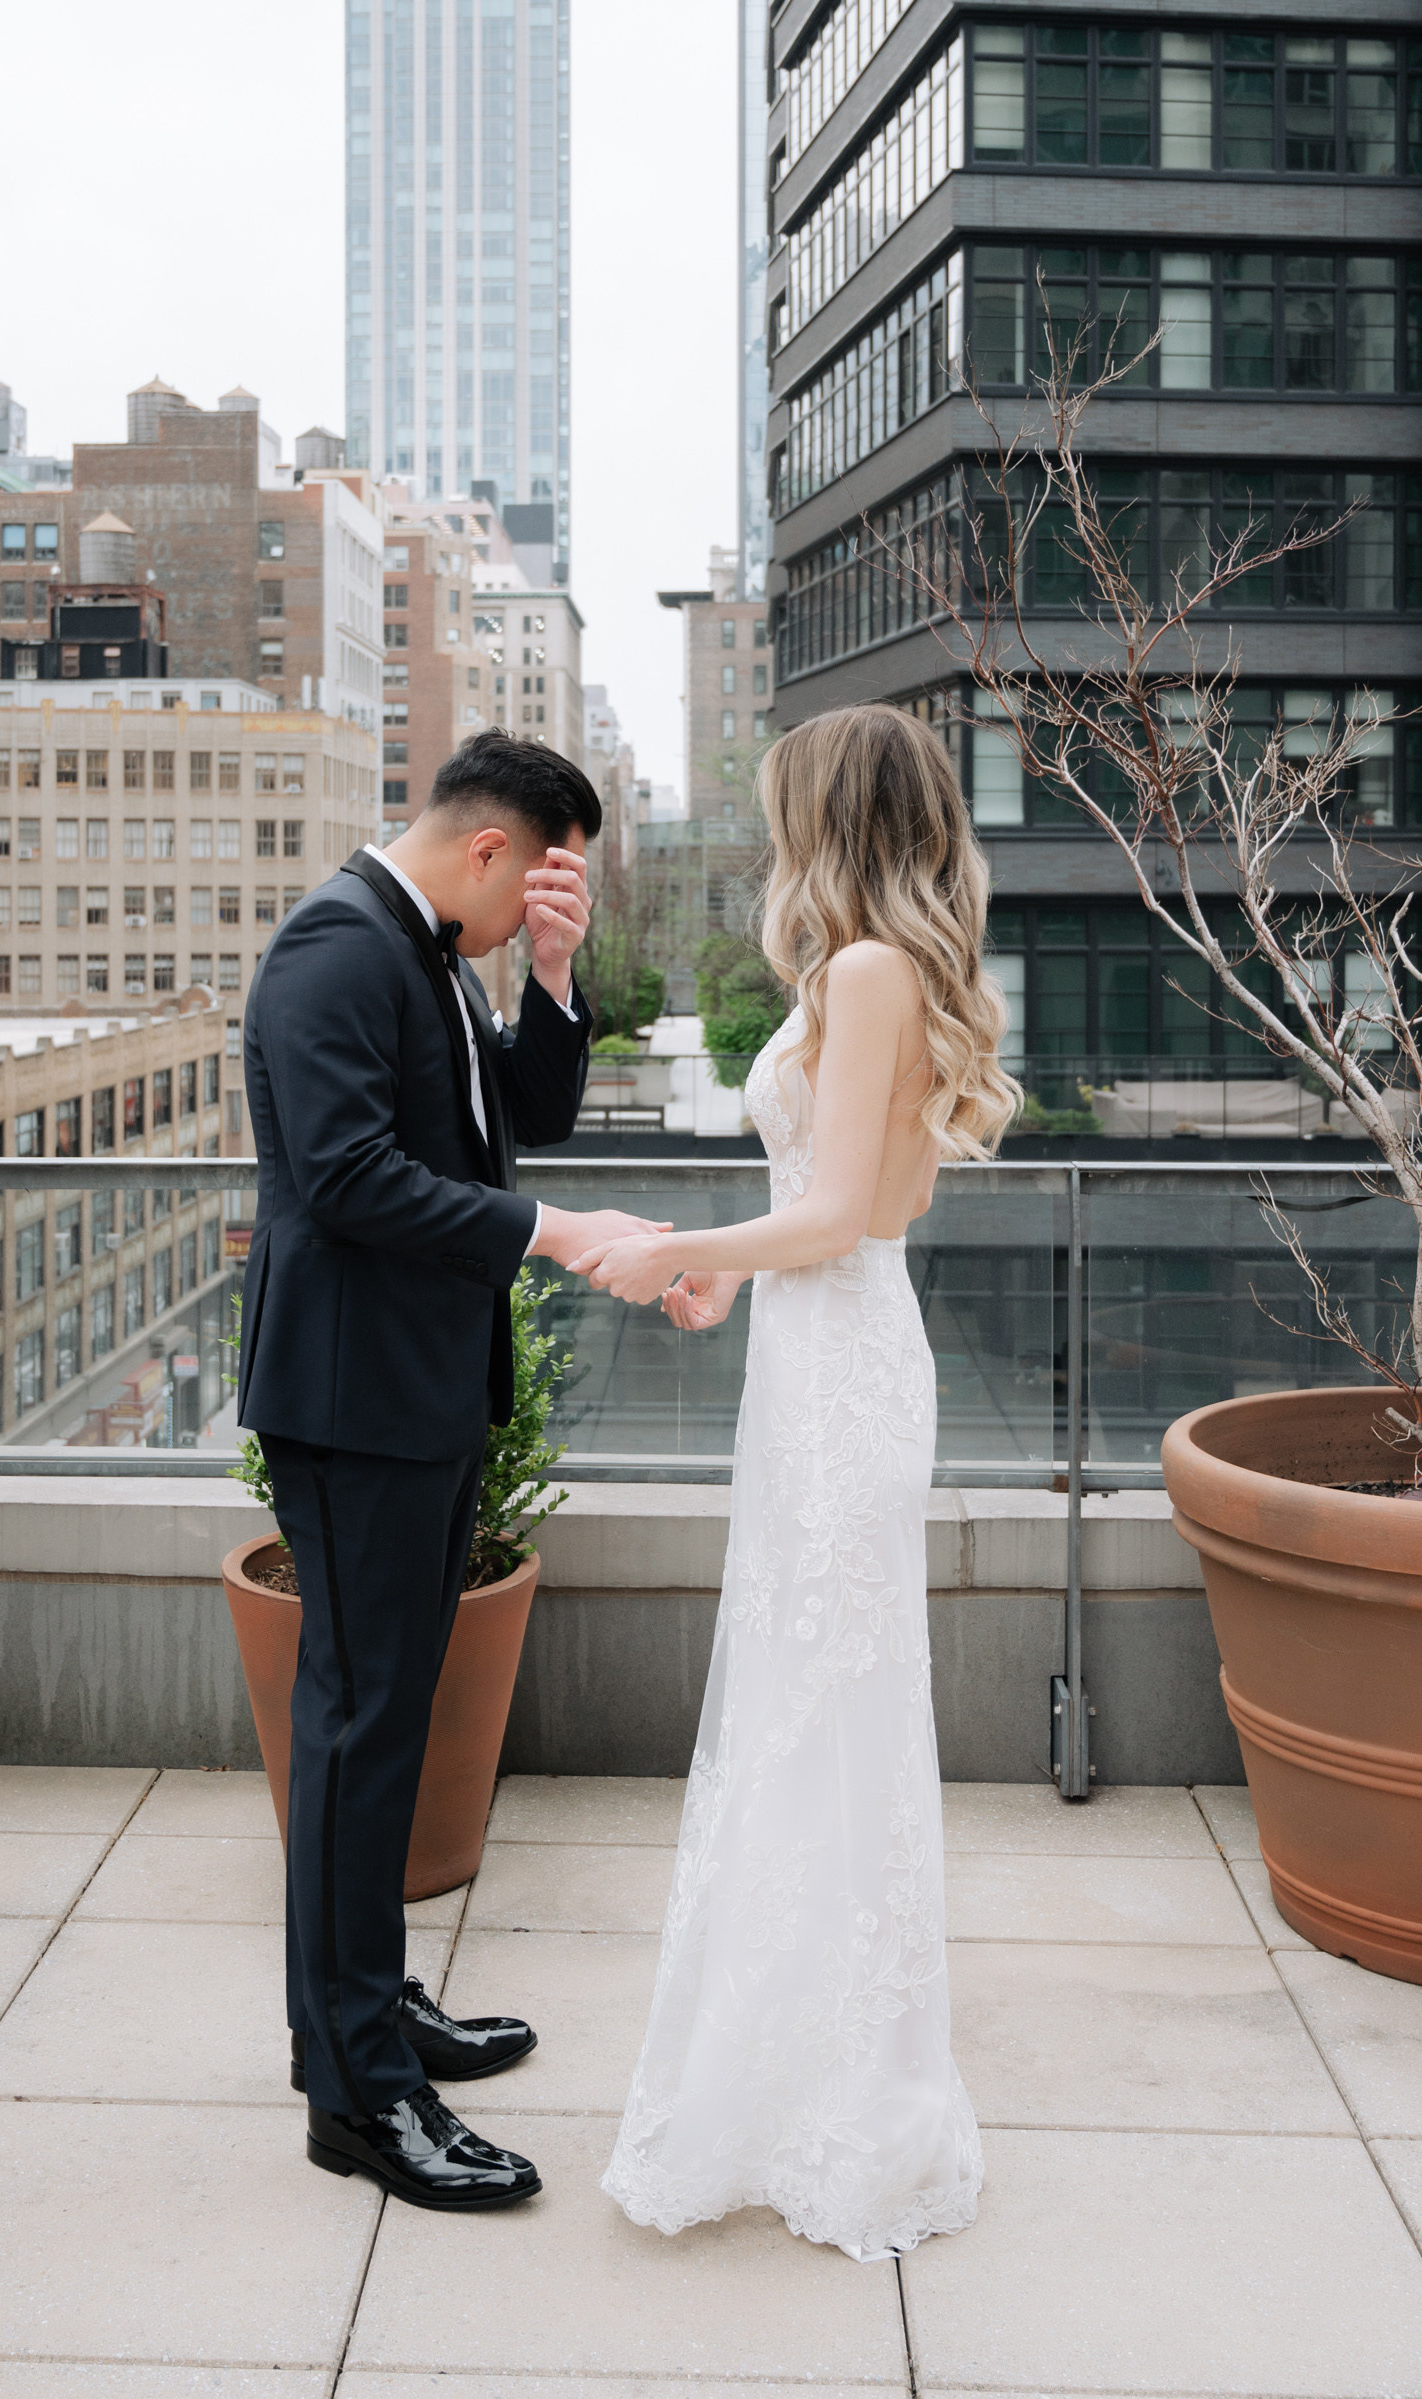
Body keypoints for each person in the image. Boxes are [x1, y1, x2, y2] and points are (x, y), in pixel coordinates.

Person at [572, 705, 1020, 2261]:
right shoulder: (878, 972)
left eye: (783, 813)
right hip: (822, 1360)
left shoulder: (869, 973)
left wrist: (674, 1249)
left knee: (818, 1716)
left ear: (830, 814)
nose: (771, 840)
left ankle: (835, 2096)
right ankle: (794, 2072)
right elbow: (828, 1219)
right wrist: (728, 1284)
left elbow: (835, 1215)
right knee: (806, 1709)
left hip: (844, 1377)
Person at [239, 729, 670, 2216]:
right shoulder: (337, 953)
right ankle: (356, 2090)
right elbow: (352, 1180)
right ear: (489, 849)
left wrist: (549, 977)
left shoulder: (434, 959)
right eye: (537, 887)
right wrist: (560, 1233)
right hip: (354, 1406)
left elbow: (518, 1123)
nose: (529, 911)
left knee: (386, 1721)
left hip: (415, 1398)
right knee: (358, 1732)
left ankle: (371, 2006)